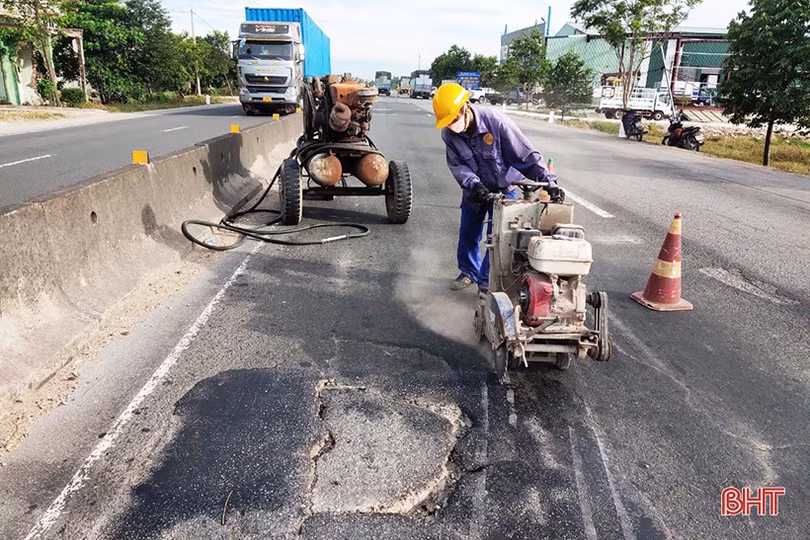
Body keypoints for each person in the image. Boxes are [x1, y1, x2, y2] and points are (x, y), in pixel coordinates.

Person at [433, 83, 563, 291]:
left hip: (505, 188)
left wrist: (549, 181)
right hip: (475, 189)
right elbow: (458, 166)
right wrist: (474, 185)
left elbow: (526, 156)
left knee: (499, 237)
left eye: (454, 120)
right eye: (447, 123)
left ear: (466, 107)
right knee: (469, 232)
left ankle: (486, 282)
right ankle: (468, 272)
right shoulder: (449, 134)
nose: (451, 126)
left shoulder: (496, 123)